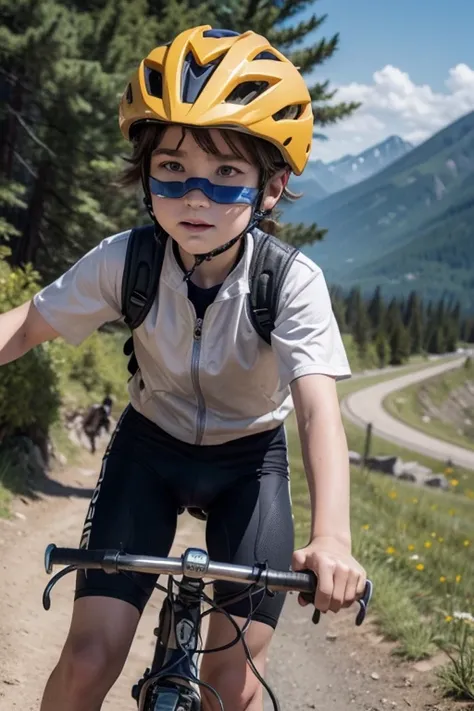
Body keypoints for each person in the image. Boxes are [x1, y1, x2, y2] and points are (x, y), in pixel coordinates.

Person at [0, 26, 366, 711]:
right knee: (86, 659)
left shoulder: (289, 281)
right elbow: (25, 325)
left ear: (272, 186)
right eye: (172, 167)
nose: (196, 194)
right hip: (149, 450)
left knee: (234, 683)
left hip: (250, 465)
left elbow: (318, 408)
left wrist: (333, 539)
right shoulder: (128, 259)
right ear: (147, 174)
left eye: (228, 173)